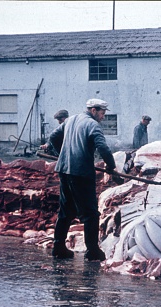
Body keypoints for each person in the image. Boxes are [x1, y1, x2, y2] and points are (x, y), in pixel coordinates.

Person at [49, 98, 117, 261]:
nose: (103, 117)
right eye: (102, 113)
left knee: (66, 210)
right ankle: (93, 251)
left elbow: (53, 137)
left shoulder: (71, 120)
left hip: (64, 170)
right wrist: (111, 166)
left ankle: (58, 247)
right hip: (81, 173)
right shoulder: (93, 125)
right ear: (93, 110)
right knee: (91, 214)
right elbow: (103, 148)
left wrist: (62, 154)